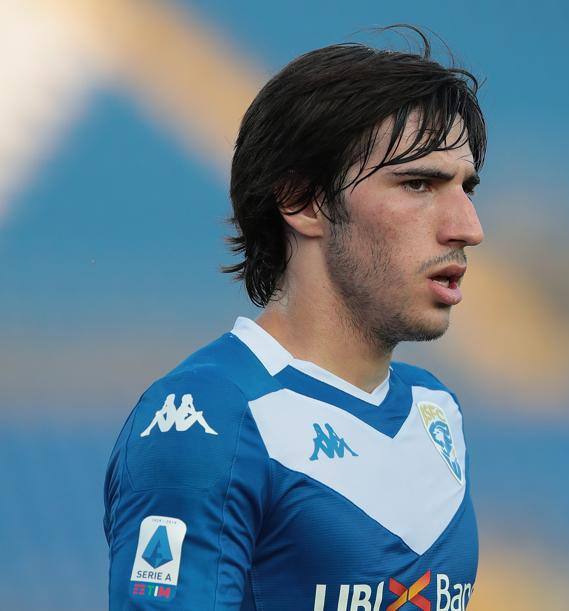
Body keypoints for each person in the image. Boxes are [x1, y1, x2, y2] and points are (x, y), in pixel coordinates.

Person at [104, 29, 486, 611]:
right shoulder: (208, 420)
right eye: (419, 184)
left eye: (466, 187)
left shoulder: (436, 411)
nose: (466, 226)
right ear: (304, 202)